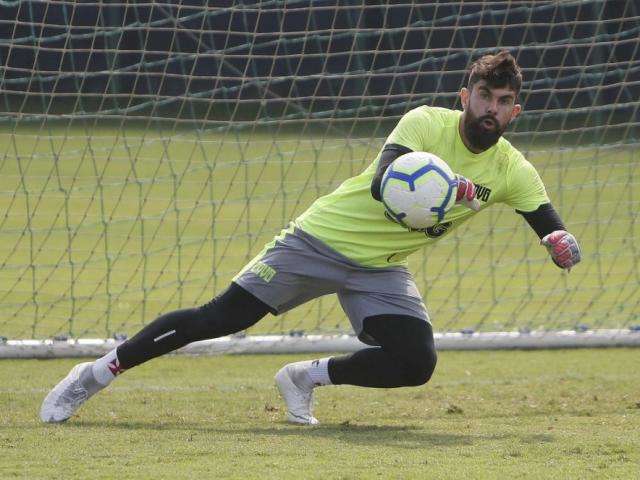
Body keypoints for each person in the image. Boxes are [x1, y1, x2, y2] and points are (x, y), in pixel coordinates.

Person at [40, 50, 581, 425]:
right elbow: (383, 178)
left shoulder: (513, 170)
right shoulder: (424, 124)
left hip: (381, 268)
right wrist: (447, 185)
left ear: (515, 109)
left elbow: (549, 224)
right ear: (465, 95)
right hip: (319, 240)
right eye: (483, 95)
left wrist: (560, 244)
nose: (490, 108)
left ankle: (304, 377)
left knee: (416, 363)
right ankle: (94, 374)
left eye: (502, 100)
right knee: (219, 318)